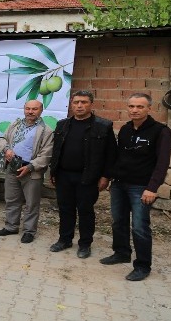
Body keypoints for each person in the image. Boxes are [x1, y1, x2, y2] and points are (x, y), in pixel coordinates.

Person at [100, 93, 171, 281]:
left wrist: (152, 188)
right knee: (118, 221)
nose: (135, 110)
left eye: (140, 107)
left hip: (141, 187)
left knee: (140, 227)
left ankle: (142, 266)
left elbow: (162, 163)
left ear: (149, 108)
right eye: (131, 106)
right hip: (119, 185)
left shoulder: (161, 132)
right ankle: (121, 252)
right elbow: (118, 157)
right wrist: (112, 178)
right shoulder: (125, 130)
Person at [49, 90, 117, 258]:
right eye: (76, 102)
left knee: (85, 211)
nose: (79, 106)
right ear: (71, 105)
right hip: (64, 175)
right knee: (65, 209)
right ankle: (64, 239)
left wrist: (105, 176)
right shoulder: (62, 125)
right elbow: (56, 150)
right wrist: (54, 171)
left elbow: (111, 155)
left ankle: (85, 244)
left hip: (88, 177)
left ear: (91, 104)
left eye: (84, 102)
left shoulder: (103, 126)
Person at [0, 100, 53, 243]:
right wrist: (6, 149)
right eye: (28, 108)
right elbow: (2, 139)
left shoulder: (46, 130)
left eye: (34, 109)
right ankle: (11, 226)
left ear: (41, 111)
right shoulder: (15, 124)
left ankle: (29, 231)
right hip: (13, 168)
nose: (30, 112)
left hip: (31, 170)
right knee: (11, 199)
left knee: (31, 203)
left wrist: (30, 166)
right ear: (24, 109)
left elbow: (47, 154)